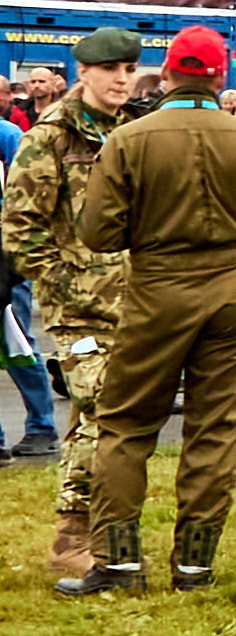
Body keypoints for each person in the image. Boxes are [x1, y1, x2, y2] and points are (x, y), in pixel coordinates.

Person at [62, 25, 236, 597]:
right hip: (232, 289)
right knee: (215, 427)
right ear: (220, 76)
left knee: (125, 424)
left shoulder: (128, 140)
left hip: (156, 288)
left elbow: (98, 232)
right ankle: (194, 564)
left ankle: (118, 562)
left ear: (166, 74)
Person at [4, 33, 141, 582]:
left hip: (133, 304)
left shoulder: (130, 130)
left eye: (129, 68)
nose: (122, 79)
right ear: (82, 72)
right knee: (103, 410)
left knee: (96, 418)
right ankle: (73, 535)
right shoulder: (51, 138)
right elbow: (20, 228)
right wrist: (64, 283)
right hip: (77, 311)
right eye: (110, 69)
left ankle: (102, 535)